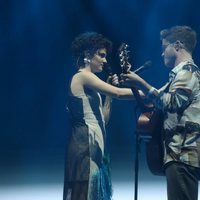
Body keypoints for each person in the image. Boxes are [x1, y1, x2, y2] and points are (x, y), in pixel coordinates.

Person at [121, 25, 200, 200]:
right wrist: (128, 86)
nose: (162, 53)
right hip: (179, 154)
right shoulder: (180, 76)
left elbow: (170, 103)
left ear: (178, 45)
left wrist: (140, 82)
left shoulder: (187, 72)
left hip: (182, 154)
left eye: (165, 48)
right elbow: (153, 100)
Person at [63, 32, 134, 200]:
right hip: (84, 145)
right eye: (101, 55)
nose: (105, 60)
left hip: (93, 146)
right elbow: (119, 92)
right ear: (88, 54)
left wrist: (108, 94)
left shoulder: (91, 84)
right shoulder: (82, 76)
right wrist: (150, 92)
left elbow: (103, 119)